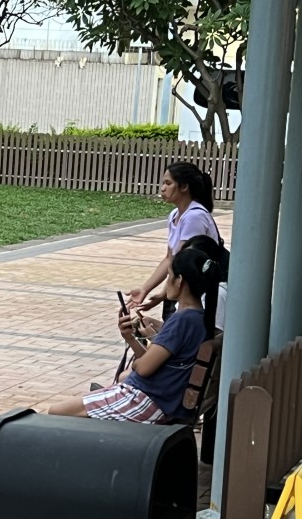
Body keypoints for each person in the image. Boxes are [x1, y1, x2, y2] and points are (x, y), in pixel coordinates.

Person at [50, 246, 221, 423]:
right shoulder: (201, 319)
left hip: (145, 401)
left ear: (180, 281)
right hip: (158, 400)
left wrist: (139, 360)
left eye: (169, 276)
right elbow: (152, 366)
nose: (167, 282)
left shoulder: (181, 321)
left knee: (56, 412)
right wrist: (131, 338)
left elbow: (144, 368)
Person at [127, 162, 220, 319]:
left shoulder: (193, 217)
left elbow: (184, 262)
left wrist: (164, 293)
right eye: (163, 183)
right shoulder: (175, 215)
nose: (163, 188)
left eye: (168, 183)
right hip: (181, 288)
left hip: (198, 294)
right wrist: (145, 289)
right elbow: (170, 258)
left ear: (184, 187)